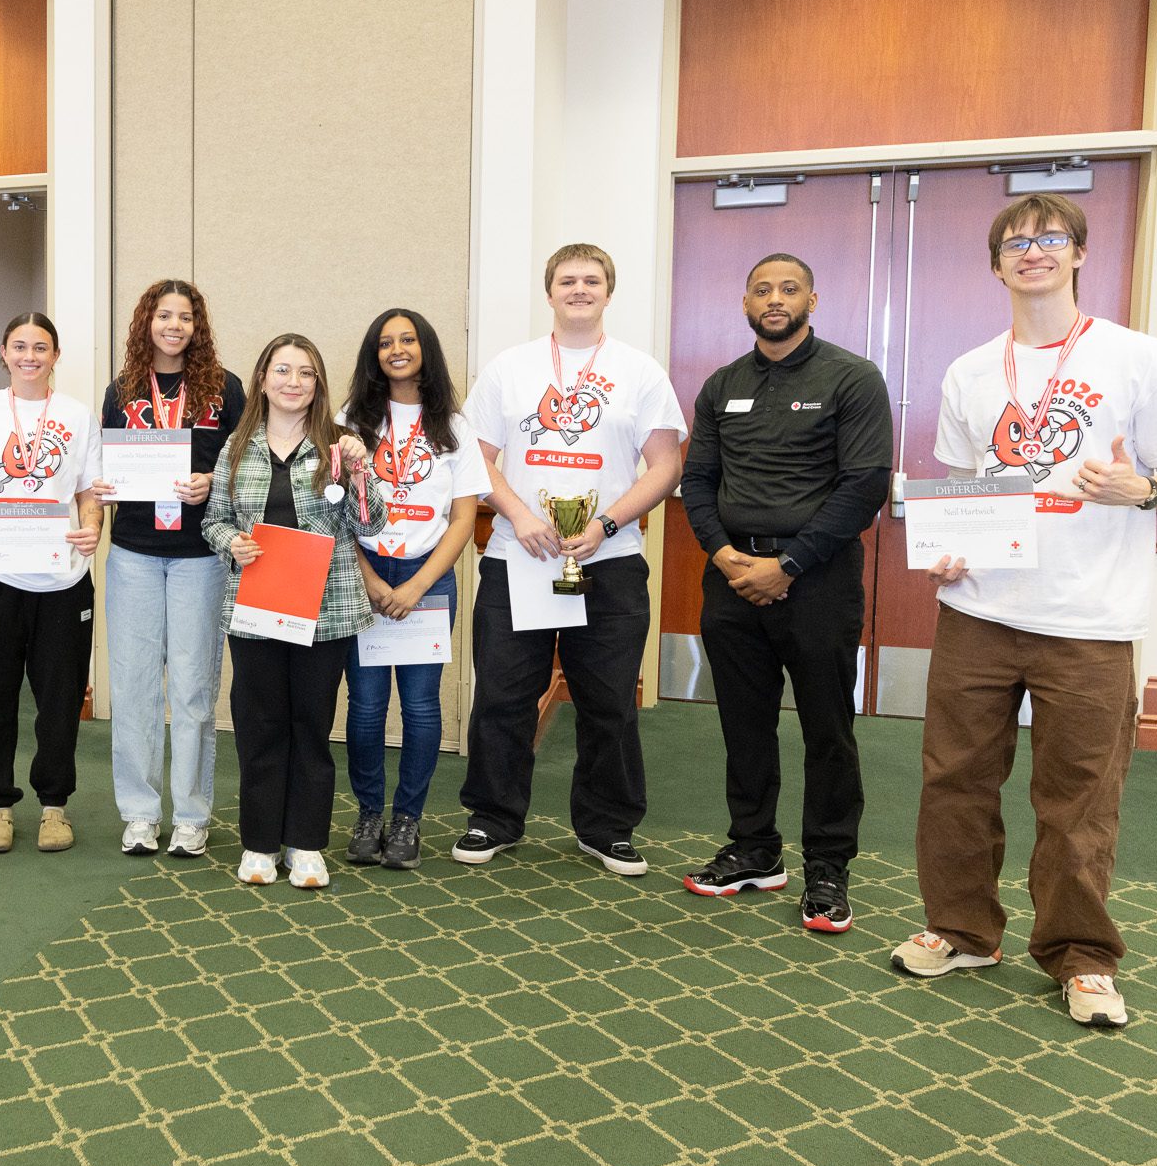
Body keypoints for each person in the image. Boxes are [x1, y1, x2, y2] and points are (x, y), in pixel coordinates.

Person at [891, 194, 1157, 1028]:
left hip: (1092, 619)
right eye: (1015, 242)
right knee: (954, 777)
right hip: (978, 610)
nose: (1033, 251)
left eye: (1050, 238)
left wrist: (1140, 488)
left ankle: (1082, 954)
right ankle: (961, 927)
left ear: (1077, 254)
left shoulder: (1135, 357)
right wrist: (948, 547)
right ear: (996, 264)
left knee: (1078, 795)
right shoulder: (968, 369)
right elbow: (962, 490)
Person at [453, 246, 685, 876]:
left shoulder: (640, 371)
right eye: (566, 280)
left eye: (592, 280)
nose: (579, 289)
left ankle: (606, 827)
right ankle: (492, 817)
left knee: (608, 700)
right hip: (518, 555)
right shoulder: (510, 368)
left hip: (608, 559)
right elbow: (477, 460)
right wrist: (521, 516)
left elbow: (667, 464)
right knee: (502, 694)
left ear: (609, 292)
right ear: (548, 292)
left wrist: (608, 522)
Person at [680, 251, 892, 934]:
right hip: (732, 577)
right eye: (762, 289)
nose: (775, 299)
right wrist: (725, 555)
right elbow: (699, 480)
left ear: (813, 298)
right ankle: (754, 848)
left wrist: (790, 565)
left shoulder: (852, 378)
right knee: (744, 720)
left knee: (827, 727)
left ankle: (827, 866)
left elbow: (863, 487)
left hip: (817, 580)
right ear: (746, 303)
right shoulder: (722, 385)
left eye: (789, 288)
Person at [202, 334, 385, 889]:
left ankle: (306, 843)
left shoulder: (340, 445)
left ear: (318, 385)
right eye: (282, 370)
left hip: (324, 609)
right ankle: (259, 843)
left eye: (305, 373)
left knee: (310, 725)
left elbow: (370, 524)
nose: (293, 382)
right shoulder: (236, 446)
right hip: (256, 607)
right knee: (259, 725)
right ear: (262, 379)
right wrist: (231, 541)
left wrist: (359, 473)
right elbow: (212, 520)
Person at [0, 313, 102, 853]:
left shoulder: (78, 417)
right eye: (19, 346)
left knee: (59, 700)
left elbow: (88, 494)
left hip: (62, 580)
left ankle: (55, 807)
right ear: (3, 353)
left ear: (56, 356)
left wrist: (94, 528)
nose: (29, 355)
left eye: (41, 347)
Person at [93, 280, 244, 860]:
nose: (174, 326)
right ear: (146, 323)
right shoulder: (123, 389)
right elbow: (104, 465)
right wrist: (104, 487)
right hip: (132, 551)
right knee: (131, 688)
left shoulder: (223, 390)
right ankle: (138, 812)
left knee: (193, 690)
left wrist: (213, 482)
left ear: (197, 325)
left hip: (199, 556)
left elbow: (242, 463)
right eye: (163, 315)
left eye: (185, 316)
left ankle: (190, 815)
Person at [338, 308, 484, 869]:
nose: (396, 349)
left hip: (429, 574)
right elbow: (338, 511)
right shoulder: (352, 419)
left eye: (407, 339)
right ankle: (369, 814)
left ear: (425, 348)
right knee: (367, 705)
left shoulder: (454, 425)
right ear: (373, 355)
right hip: (368, 572)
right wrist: (371, 580)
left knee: (423, 707)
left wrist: (420, 584)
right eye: (384, 342)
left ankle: (407, 821)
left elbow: (464, 520)